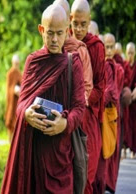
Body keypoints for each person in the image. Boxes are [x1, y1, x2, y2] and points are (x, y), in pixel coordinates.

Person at [0, 4, 85, 194]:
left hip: (62, 156)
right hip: (34, 154)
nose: (54, 40)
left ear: (67, 31)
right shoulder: (33, 61)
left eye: (59, 33)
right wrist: (26, 113)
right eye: (50, 33)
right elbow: (21, 103)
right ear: (41, 30)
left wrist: (65, 124)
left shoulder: (74, 63)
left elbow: (79, 108)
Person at [70, 1, 106, 193]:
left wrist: (82, 101)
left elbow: (100, 87)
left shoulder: (96, 47)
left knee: (86, 174)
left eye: (83, 24)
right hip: (68, 116)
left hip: (88, 116)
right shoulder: (64, 40)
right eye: (75, 23)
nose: (79, 29)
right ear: (70, 21)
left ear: (89, 21)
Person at [54, 0, 93, 106]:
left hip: (71, 112)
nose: (57, 20)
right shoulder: (46, 49)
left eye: (61, 16)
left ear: (69, 19)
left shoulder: (80, 50)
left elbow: (87, 87)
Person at [93, 33, 119, 194]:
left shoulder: (109, 65)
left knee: (102, 157)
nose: (108, 51)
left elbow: (110, 92)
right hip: (100, 115)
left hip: (105, 114)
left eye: (111, 47)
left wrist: (95, 101)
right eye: (105, 47)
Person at [5, 54, 22, 142]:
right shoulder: (9, 74)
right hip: (11, 100)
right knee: (10, 118)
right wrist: (13, 90)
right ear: (12, 63)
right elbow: (8, 88)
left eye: (17, 63)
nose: (16, 64)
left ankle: (14, 140)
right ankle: (9, 139)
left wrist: (19, 91)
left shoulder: (19, 73)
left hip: (17, 101)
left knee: (16, 119)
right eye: (14, 63)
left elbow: (22, 84)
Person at [123, 42, 136, 158]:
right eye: (128, 53)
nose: (130, 55)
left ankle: (134, 151)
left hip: (135, 101)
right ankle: (125, 148)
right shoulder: (125, 65)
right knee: (127, 125)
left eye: (132, 53)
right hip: (127, 102)